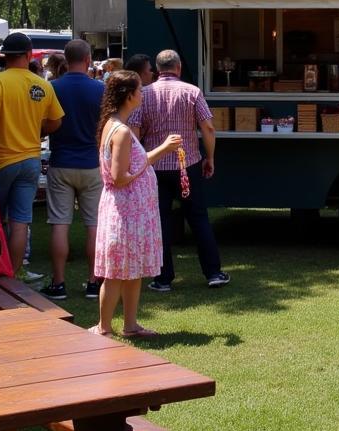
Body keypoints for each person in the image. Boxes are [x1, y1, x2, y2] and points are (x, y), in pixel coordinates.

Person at [129, 49, 228, 290]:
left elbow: (134, 131)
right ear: (179, 67)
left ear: (157, 68)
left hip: (155, 166)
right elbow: (208, 128)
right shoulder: (192, 92)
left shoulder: (144, 93)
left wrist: (139, 160)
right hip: (187, 164)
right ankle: (213, 272)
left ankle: (163, 279)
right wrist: (210, 157)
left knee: (160, 221)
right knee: (198, 218)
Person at [92, 70, 181, 338]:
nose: (143, 94)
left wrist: (159, 152)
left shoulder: (116, 125)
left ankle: (130, 325)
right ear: (129, 96)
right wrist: (162, 150)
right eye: (140, 90)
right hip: (125, 211)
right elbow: (120, 177)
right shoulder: (120, 131)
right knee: (117, 271)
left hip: (131, 210)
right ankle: (104, 328)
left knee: (132, 270)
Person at [0, 32, 64, 282]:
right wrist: (37, 131)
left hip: (1, 161)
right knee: (20, 221)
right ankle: (12, 274)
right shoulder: (42, 84)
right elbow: (56, 122)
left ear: (4, 56)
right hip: (31, 160)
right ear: (28, 55)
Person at [42, 39, 106, 301]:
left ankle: (58, 283)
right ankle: (93, 282)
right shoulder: (100, 89)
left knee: (59, 223)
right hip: (92, 163)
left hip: (61, 161)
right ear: (89, 59)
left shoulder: (52, 88)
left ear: (66, 61)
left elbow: (45, 125)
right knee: (94, 225)